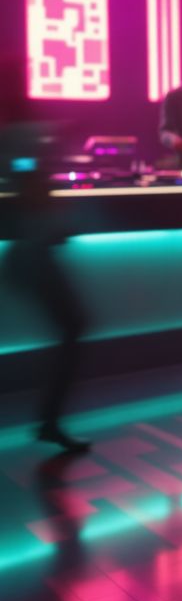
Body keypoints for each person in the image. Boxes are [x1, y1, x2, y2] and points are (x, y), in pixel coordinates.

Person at [0, 60, 90, 453]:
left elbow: (24, 172)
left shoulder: (17, 132)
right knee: (73, 324)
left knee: (72, 324)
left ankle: (50, 421)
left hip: (27, 253)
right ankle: (50, 421)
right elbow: (28, 176)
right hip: (33, 253)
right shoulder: (23, 133)